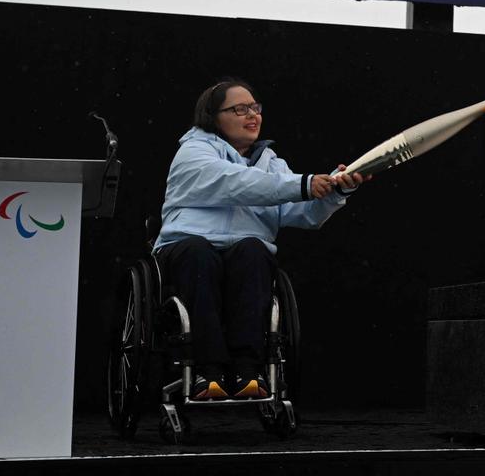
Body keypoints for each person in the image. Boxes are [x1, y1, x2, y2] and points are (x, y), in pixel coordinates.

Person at [154, 79, 369, 401]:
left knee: (253, 252)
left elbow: (302, 213)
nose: (252, 115)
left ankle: (248, 370)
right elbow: (234, 183)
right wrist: (303, 183)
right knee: (200, 255)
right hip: (188, 243)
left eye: (255, 108)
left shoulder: (272, 163)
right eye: (240, 109)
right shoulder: (193, 152)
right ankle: (206, 371)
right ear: (213, 116)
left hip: (245, 247)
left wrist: (336, 190)